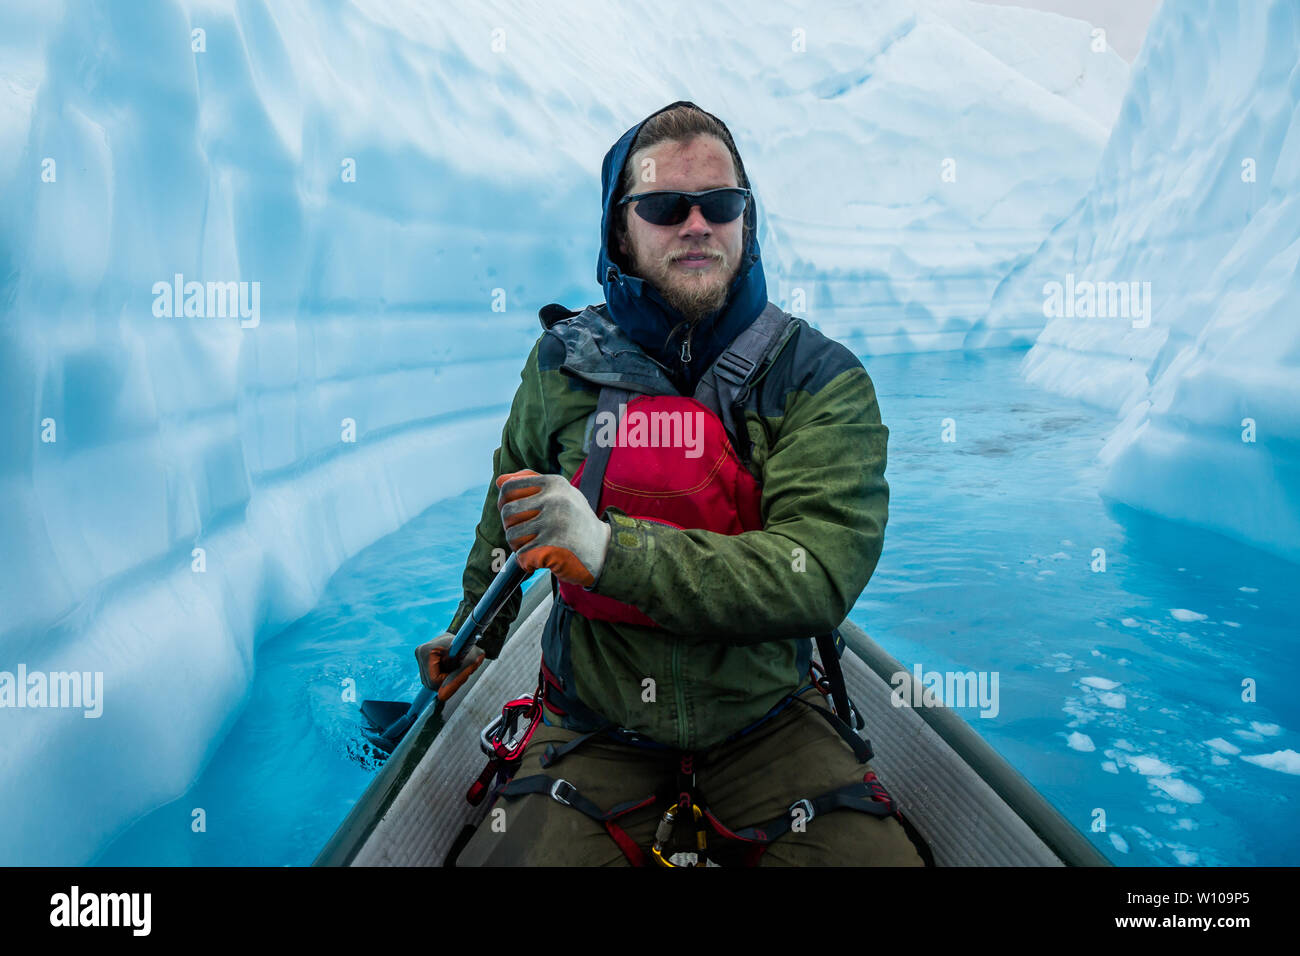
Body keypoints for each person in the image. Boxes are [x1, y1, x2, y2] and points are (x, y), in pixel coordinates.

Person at [417, 100, 928, 866]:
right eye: (663, 205)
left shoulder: (820, 379)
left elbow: (817, 574)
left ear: (746, 223)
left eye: (721, 204)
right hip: (591, 726)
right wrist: (475, 632)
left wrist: (605, 549)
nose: (697, 223)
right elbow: (507, 519)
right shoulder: (562, 365)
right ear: (621, 230)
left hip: (769, 722)